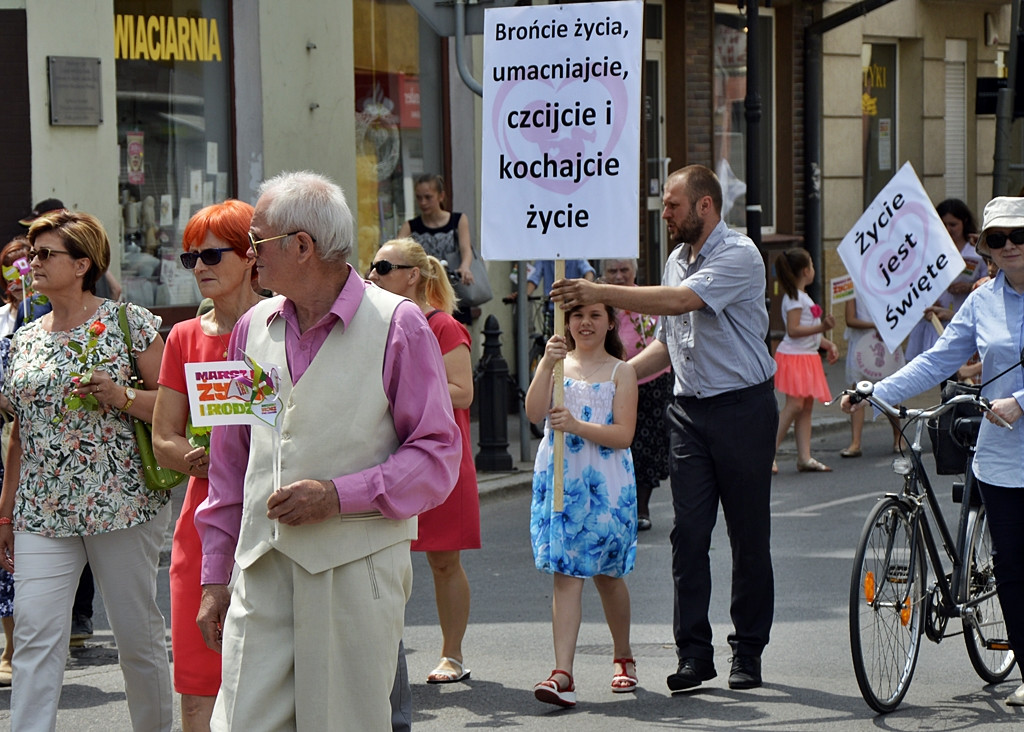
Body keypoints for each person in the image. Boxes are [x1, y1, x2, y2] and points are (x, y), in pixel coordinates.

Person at [193, 171, 461, 730]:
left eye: (257, 240)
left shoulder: (397, 324)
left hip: (355, 571)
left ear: (302, 246)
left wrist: (339, 496)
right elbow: (231, 463)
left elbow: (436, 455)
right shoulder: (252, 328)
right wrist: (215, 574)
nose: (248, 252)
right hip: (261, 568)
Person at [550, 164, 778, 692]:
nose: (665, 214)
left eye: (673, 205)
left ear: (705, 205)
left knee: (748, 536)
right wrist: (616, 376)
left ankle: (748, 650)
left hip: (743, 408)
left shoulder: (739, 254)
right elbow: (668, 342)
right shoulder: (676, 259)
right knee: (688, 534)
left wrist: (598, 289)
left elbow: (679, 301)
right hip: (690, 412)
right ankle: (694, 654)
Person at [842, 195, 1024, 707]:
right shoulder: (983, 302)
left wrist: (1020, 402)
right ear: (986, 247)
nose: (1009, 246)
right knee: (1012, 570)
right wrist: (876, 390)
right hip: (1000, 458)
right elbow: (938, 359)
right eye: (998, 239)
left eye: (1019, 236)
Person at [0, 210, 173, 731]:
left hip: (120, 504)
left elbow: (176, 407)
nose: (32, 262)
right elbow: (21, 429)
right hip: (41, 511)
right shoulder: (25, 338)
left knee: (136, 637)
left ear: (82, 265)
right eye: (32, 254)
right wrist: (6, 509)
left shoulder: (129, 323)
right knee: (34, 637)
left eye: (45, 254)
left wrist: (121, 397)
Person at [152, 200, 261, 731]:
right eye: (190, 257)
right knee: (198, 686)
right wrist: (192, 458)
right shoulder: (184, 336)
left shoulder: (285, 326)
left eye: (212, 254)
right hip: (204, 516)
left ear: (250, 254)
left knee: (272, 682)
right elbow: (163, 439)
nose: (199, 266)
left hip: (273, 509)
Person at [367, 238, 481, 685]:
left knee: (443, 562)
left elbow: (464, 392)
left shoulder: (444, 326)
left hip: (439, 458)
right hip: (391, 455)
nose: (371, 275)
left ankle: (453, 654)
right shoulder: (376, 324)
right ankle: (382, 658)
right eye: (372, 266)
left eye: (383, 267)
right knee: (384, 563)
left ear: (412, 275)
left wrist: (405, 388)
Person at [524, 301, 639, 707]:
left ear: (610, 323)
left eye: (594, 315)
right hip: (561, 480)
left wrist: (576, 425)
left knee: (608, 575)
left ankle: (623, 655)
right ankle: (563, 673)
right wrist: (545, 364)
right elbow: (533, 413)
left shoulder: (622, 371)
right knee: (566, 572)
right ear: (566, 321)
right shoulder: (556, 364)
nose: (585, 323)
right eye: (577, 316)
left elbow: (623, 434)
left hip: (606, 483)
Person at [601, 258, 670, 530]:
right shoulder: (601, 305)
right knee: (614, 445)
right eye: (612, 271)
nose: (619, 276)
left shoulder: (645, 300)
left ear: (634, 272)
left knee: (646, 446)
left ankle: (641, 507)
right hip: (610, 384)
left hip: (650, 384)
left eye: (624, 270)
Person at [772, 248, 839, 474]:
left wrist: (827, 344)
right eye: (811, 264)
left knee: (806, 407)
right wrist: (822, 327)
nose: (813, 268)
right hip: (795, 356)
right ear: (805, 271)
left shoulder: (801, 296)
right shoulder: (794, 299)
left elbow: (808, 333)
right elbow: (793, 330)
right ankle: (768, 454)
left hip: (806, 356)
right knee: (795, 405)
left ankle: (805, 457)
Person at [398, 173, 475, 324]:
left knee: (454, 329)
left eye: (428, 197)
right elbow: (397, 250)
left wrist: (465, 266)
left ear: (441, 196)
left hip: (452, 288)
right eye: (419, 197)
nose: (423, 202)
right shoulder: (411, 226)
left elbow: (466, 249)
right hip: (425, 291)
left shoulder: (458, 220)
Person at [840, 294, 906, 457]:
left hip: (883, 341)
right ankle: (855, 443)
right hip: (862, 344)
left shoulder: (886, 285)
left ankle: (898, 436)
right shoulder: (853, 285)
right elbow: (850, 319)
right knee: (857, 391)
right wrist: (875, 325)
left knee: (890, 390)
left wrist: (886, 327)